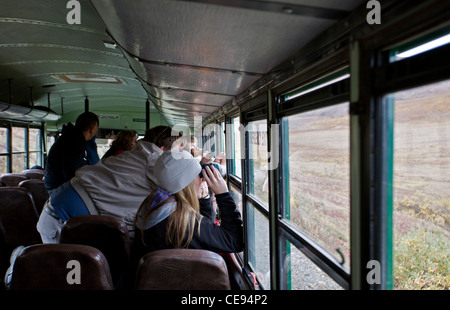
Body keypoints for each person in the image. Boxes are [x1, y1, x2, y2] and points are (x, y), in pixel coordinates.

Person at [36, 125, 183, 243]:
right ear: (163, 150)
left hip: (63, 212)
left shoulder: (138, 155)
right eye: (178, 153)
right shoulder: (155, 161)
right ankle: (16, 265)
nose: (180, 160)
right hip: (62, 219)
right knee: (63, 276)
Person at [131, 149, 244, 260]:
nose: (202, 180)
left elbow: (205, 237)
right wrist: (223, 194)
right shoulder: (182, 221)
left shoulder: (155, 202)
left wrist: (204, 200)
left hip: (150, 276)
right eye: (198, 174)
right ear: (187, 183)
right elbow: (234, 241)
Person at [44, 112, 99, 195]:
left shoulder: (68, 138)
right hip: (60, 190)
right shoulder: (74, 144)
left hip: (56, 187)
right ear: (91, 130)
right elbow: (74, 174)